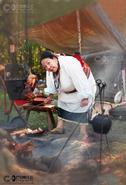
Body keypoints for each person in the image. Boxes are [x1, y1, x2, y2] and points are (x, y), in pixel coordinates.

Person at [40, 51, 96, 142]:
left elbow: (80, 79)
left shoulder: (69, 63)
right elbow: (51, 83)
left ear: (54, 58)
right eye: (45, 67)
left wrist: (85, 97)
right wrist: (50, 96)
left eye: (49, 63)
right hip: (65, 90)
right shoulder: (50, 69)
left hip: (82, 87)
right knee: (62, 102)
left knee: (82, 107)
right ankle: (60, 127)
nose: (48, 67)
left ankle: (83, 132)